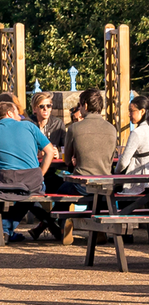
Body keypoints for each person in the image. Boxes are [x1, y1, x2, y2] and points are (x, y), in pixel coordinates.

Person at [0, 100, 54, 243]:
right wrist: (40, 174)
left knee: (15, 193)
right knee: (32, 192)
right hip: (32, 180)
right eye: (18, 113)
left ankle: (5, 229)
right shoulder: (29, 126)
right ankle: (6, 229)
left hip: (5, 180)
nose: (20, 116)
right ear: (9, 113)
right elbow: (49, 151)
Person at [61, 88, 119, 196]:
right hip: (105, 183)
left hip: (82, 184)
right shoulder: (112, 129)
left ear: (86, 106)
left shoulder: (74, 128)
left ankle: (52, 213)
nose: (79, 108)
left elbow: (67, 160)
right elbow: (110, 159)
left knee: (60, 191)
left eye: (80, 105)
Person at [115, 95, 149, 195]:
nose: (129, 114)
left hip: (140, 185)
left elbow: (123, 162)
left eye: (131, 111)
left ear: (142, 111)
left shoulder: (137, 133)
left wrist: (115, 172)